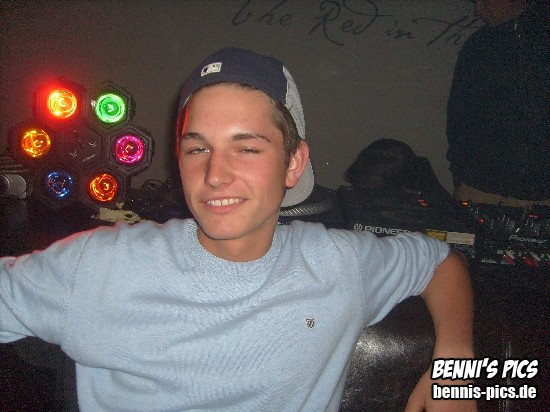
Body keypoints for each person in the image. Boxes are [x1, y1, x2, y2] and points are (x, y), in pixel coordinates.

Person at [1, 47, 476, 411]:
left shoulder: (339, 264)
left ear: (293, 164)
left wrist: (456, 370)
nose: (215, 174)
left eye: (246, 148)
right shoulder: (101, 264)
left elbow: (439, 261)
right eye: (197, 148)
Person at [446, 0, 550, 207]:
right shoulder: (478, 45)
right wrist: (460, 177)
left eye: (485, 0)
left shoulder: (543, 41)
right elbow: (459, 118)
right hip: (480, 187)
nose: (478, 9)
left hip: (541, 191)